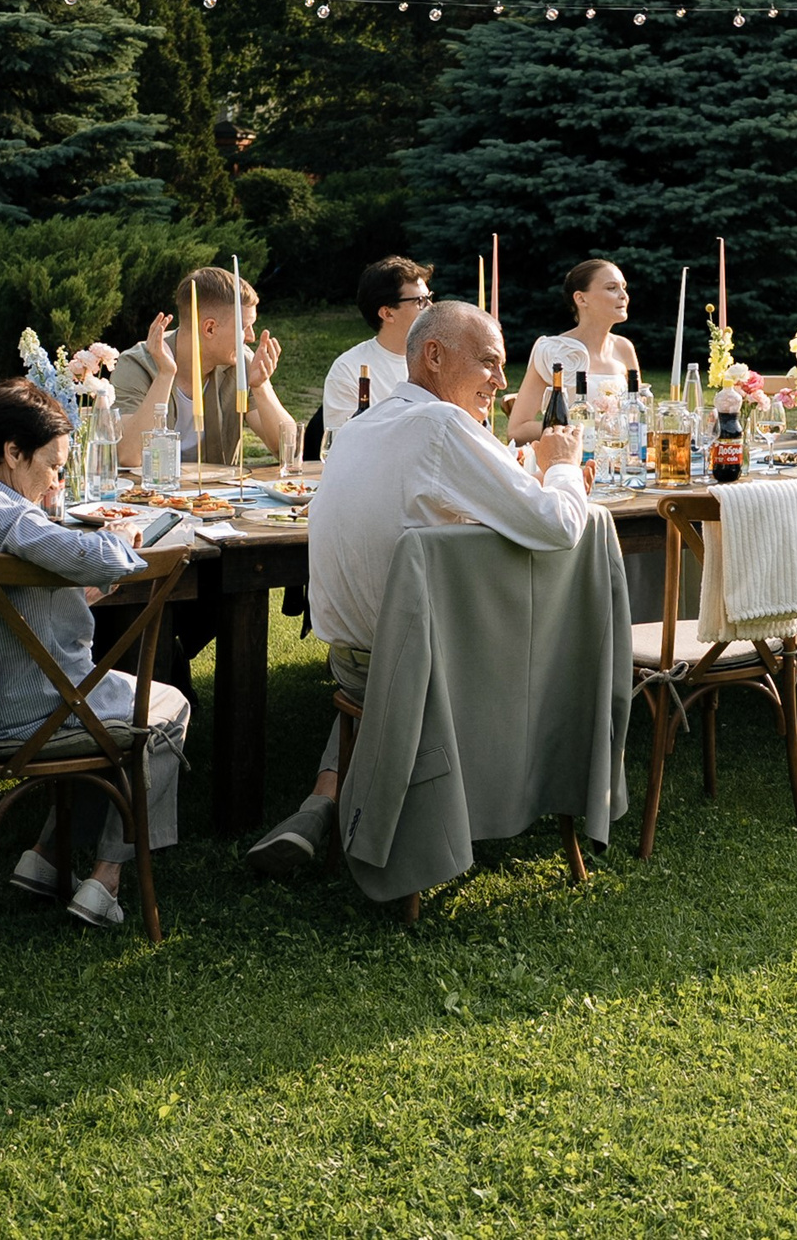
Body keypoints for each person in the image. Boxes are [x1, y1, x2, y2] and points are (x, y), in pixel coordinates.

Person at [245, 302, 589, 876]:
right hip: (421, 671)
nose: (502, 382)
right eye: (488, 363)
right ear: (434, 355)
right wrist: (562, 465)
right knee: (573, 620)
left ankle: (322, 803)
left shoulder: (364, 426)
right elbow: (558, 525)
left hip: (351, 661)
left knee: (402, 638)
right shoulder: (442, 425)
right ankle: (574, 784)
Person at [0, 378, 187, 929]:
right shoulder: (2, 514)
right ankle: (107, 879)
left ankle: (47, 857)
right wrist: (122, 542)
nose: (57, 484)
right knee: (163, 708)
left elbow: (15, 592)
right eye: (53, 467)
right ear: (12, 452)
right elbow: (79, 550)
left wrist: (87, 577)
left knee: (94, 705)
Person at [113, 267, 295, 468]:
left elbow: (289, 449)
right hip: (150, 495)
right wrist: (165, 375)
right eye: (244, 327)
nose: (251, 337)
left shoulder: (241, 362)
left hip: (216, 497)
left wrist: (261, 387)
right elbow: (128, 456)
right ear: (209, 328)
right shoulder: (136, 364)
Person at [506, 259, 641, 443]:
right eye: (612, 288)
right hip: (571, 463)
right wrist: (579, 428)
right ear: (581, 298)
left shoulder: (624, 348)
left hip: (620, 461)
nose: (624, 295)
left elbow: (638, 415)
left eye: (624, 287)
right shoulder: (554, 350)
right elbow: (517, 430)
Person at [321, 256, 432, 438]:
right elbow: (344, 447)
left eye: (429, 297)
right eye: (420, 301)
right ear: (387, 313)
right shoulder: (349, 370)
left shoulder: (441, 361)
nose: (430, 307)